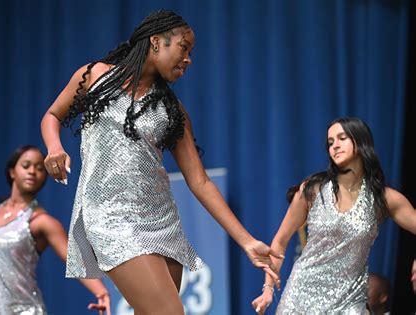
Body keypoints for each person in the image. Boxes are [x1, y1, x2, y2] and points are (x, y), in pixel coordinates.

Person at [40, 9, 282, 315]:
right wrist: (54, 147)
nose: (189, 59)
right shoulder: (95, 75)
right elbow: (52, 115)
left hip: (161, 222)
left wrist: (246, 242)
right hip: (110, 217)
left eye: (191, 52)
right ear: (156, 41)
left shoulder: (172, 110)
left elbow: (200, 181)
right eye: (184, 47)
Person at [251, 117, 416, 314]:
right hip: (301, 296)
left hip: (350, 300)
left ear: (361, 141)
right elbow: (279, 242)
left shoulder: (384, 198)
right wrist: (268, 289)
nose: (335, 146)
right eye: (330, 142)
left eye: (341, 138)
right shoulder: (313, 190)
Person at [0, 145, 110, 315]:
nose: (32, 171)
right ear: (12, 172)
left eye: (39, 168)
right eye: (26, 165)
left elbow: (74, 260)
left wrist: (101, 292)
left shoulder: (42, 221)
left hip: (25, 310)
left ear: (44, 177)